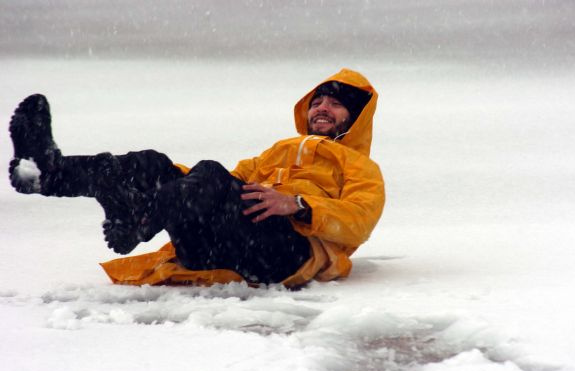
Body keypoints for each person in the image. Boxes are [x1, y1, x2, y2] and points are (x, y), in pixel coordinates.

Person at [7, 68, 385, 288]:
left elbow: (360, 219)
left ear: (353, 118)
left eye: (335, 104)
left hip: (285, 255)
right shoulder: (277, 152)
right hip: (215, 247)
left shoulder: (360, 167)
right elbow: (213, 187)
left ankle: (140, 216)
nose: (323, 108)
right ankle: (46, 173)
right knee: (154, 164)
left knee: (209, 172)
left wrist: (298, 205)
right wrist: (159, 176)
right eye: (318, 101)